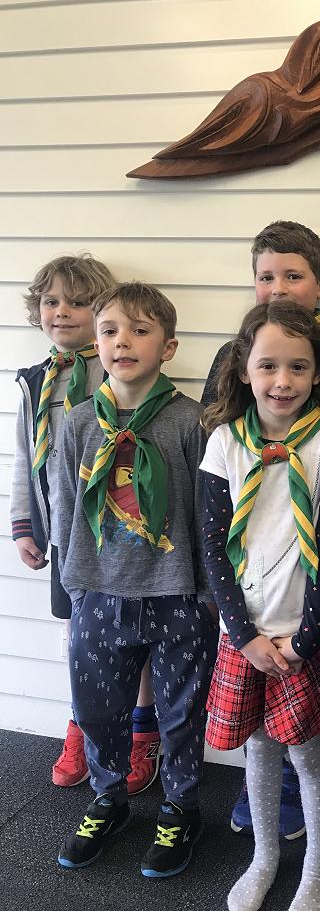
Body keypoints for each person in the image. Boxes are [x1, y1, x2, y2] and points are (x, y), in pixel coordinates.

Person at [200, 301, 320, 911]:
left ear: (317, 372)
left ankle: (318, 864)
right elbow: (213, 545)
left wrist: (305, 638)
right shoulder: (225, 443)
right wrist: (244, 637)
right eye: (268, 365)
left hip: (305, 632)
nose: (283, 380)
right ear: (244, 369)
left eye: (298, 366)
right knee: (260, 749)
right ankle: (265, 856)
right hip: (244, 634)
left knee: (306, 750)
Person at [54, 281, 218, 878]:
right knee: (98, 710)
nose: (122, 342)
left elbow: (208, 512)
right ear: (96, 344)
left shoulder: (191, 422)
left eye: (140, 331)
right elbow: (66, 504)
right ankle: (108, 798)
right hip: (99, 593)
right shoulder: (77, 423)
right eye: (110, 331)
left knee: (180, 714)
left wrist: (207, 596)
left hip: (177, 595)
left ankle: (181, 809)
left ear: (168, 347)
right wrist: (75, 585)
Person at [10, 254, 159, 793]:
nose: (62, 312)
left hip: (117, 535)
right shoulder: (35, 382)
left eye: (77, 302)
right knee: (81, 635)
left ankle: (141, 731)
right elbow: (25, 457)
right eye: (51, 301)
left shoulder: (118, 367)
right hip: (64, 535)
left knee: (132, 634)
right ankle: (84, 723)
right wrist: (24, 522)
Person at [202, 219, 320, 435]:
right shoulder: (232, 354)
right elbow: (208, 430)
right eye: (266, 278)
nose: (278, 289)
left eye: (293, 277)